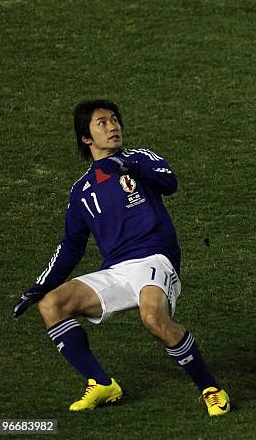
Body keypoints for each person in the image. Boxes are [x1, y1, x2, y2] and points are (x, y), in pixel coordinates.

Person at [13, 99, 230, 414]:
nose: (112, 126)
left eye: (114, 120)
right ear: (86, 138)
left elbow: (170, 183)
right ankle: (101, 383)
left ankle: (211, 389)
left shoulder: (139, 158)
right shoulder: (81, 191)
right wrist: (39, 286)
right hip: (116, 270)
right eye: (102, 123)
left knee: (154, 319)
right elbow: (72, 245)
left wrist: (129, 167)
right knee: (52, 304)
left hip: (155, 259)